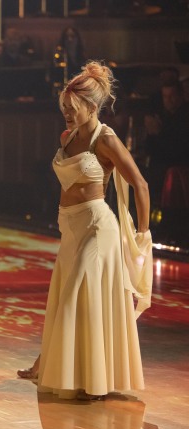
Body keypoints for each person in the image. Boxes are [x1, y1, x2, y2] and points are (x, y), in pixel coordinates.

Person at [18, 61, 152, 400]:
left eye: (72, 107)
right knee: (66, 297)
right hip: (71, 228)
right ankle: (50, 364)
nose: (66, 113)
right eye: (64, 106)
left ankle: (92, 381)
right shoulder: (68, 137)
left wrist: (142, 234)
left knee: (78, 298)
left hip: (97, 228)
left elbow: (140, 184)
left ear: (91, 107)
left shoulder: (105, 139)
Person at [142, 80, 189, 204]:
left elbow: (179, 150)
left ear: (181, 96)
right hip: (160, 166)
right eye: (165, 96)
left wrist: (159, 132)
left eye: (172, 96)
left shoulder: (184, 116)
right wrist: (150, 132)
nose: (168, 100)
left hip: (178, 171)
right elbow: (149, 148)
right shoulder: (162, 116)